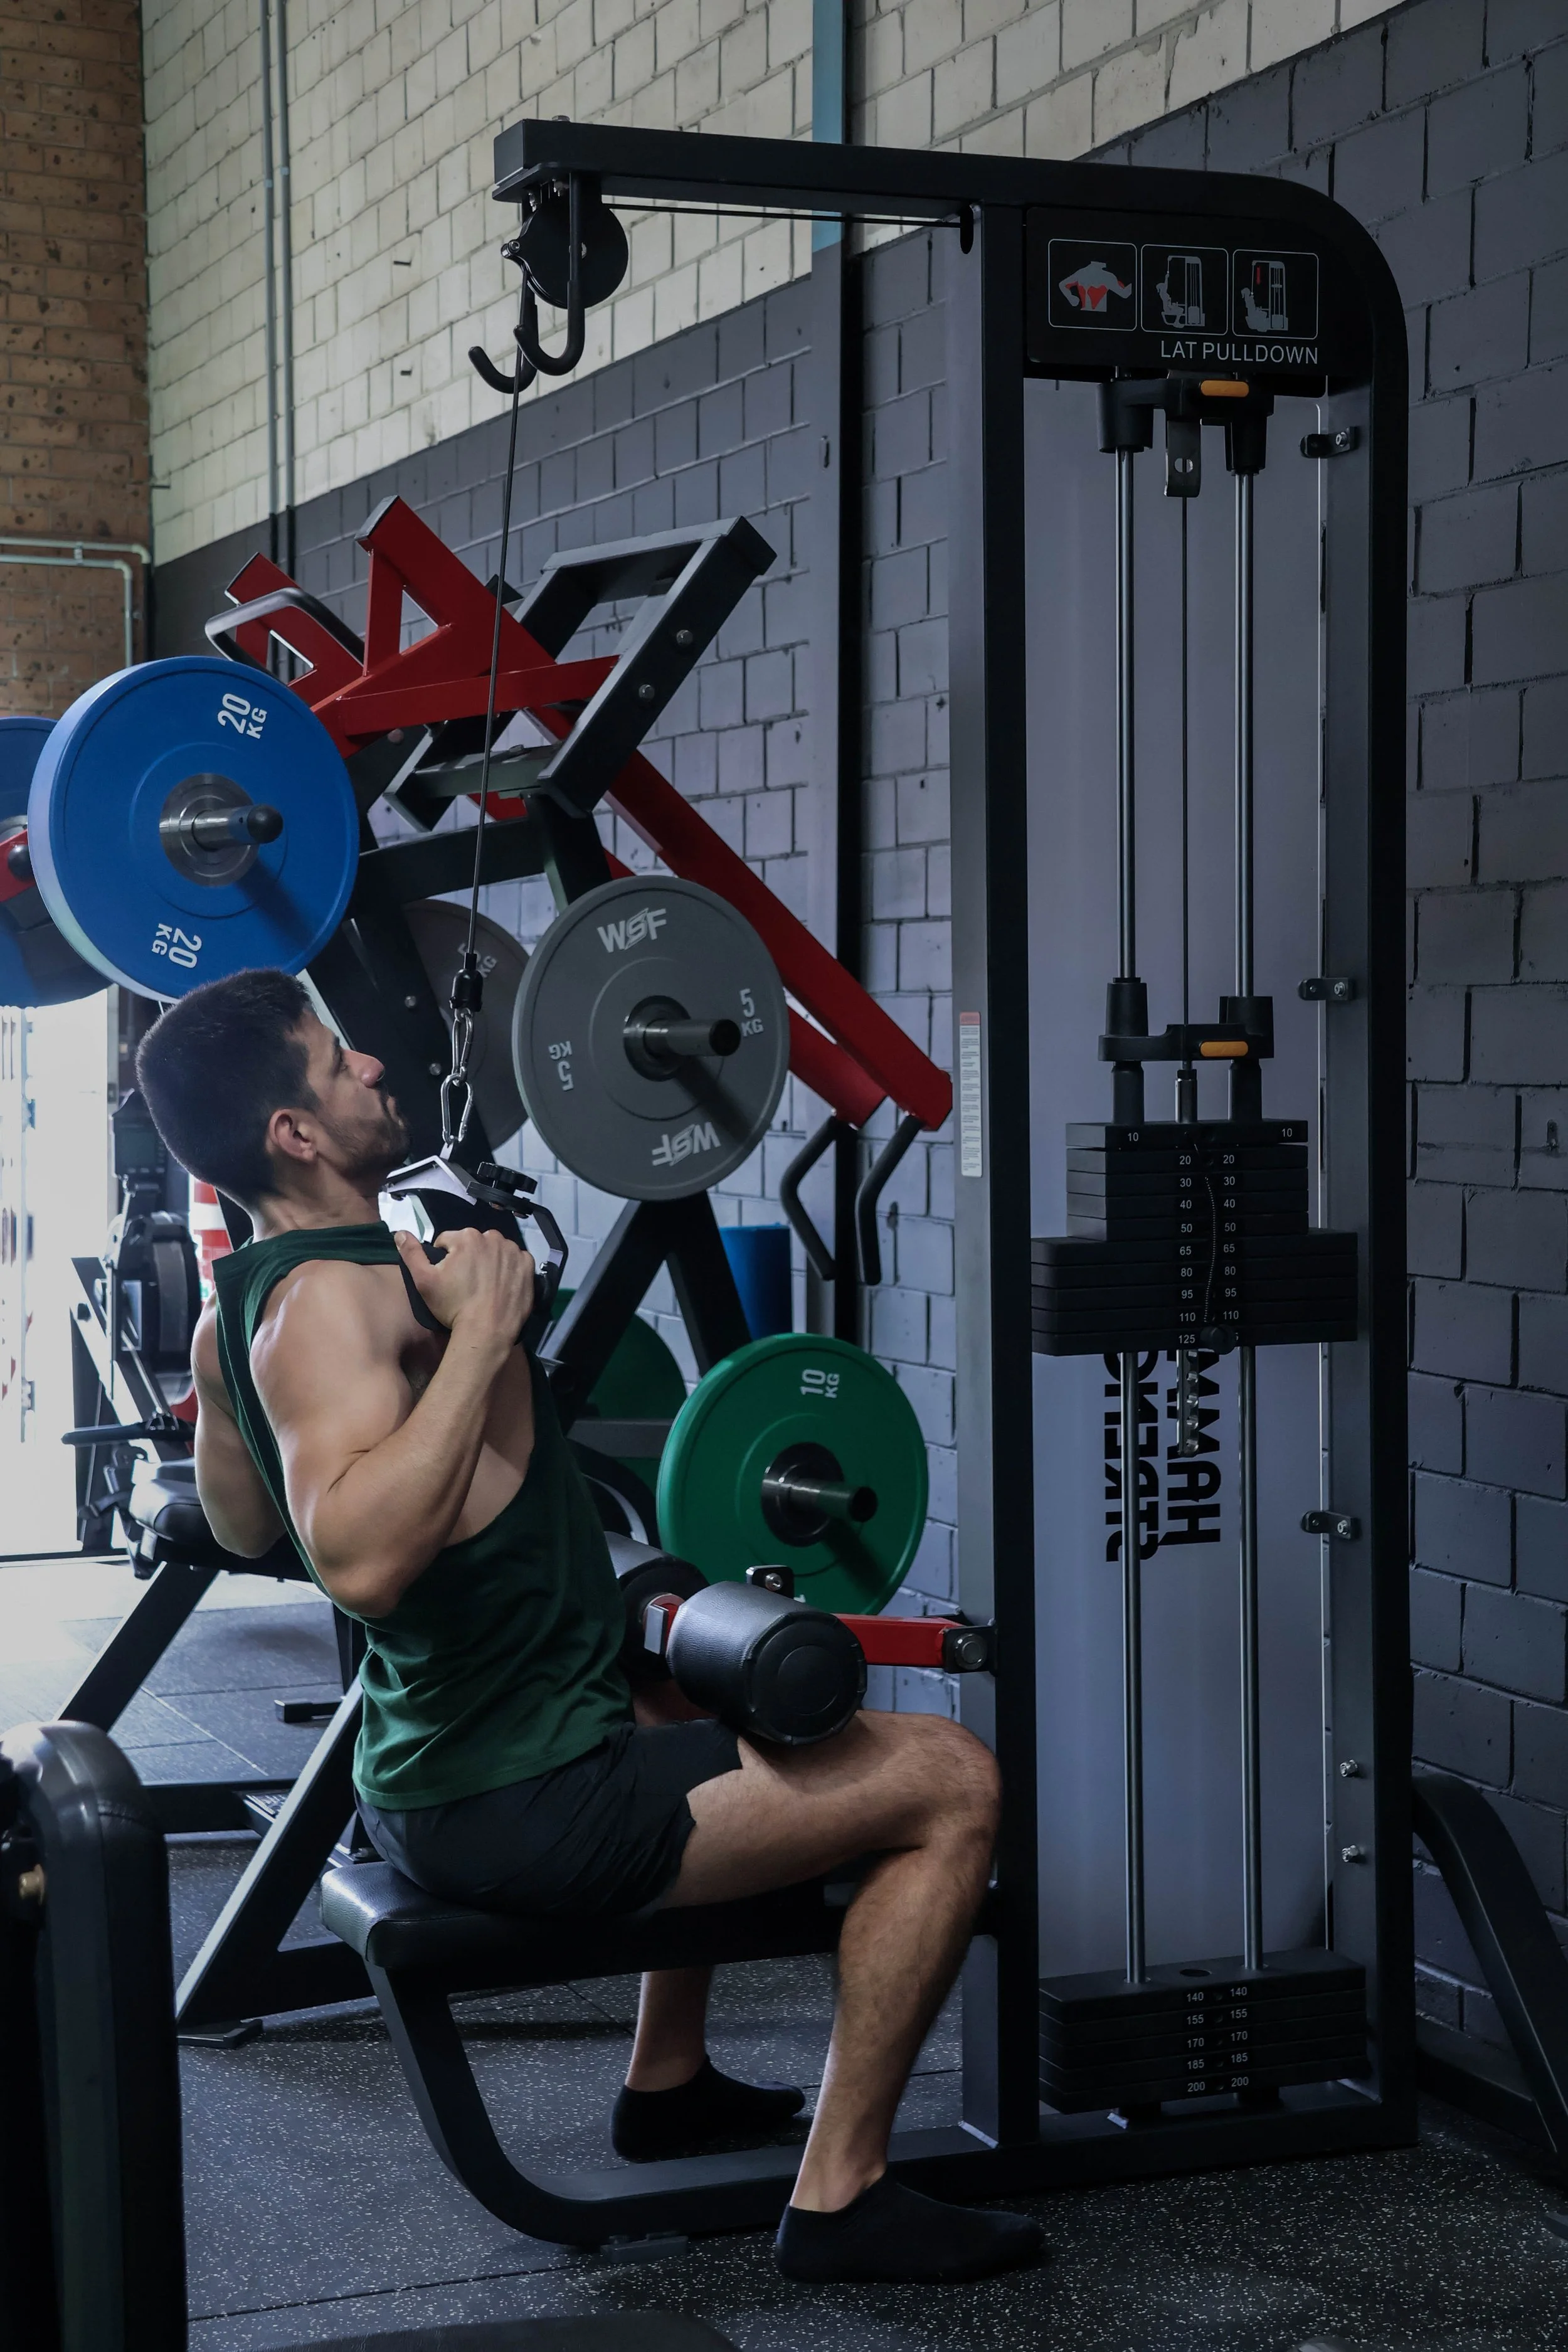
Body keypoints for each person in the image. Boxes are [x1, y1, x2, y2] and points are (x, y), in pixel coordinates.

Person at [136, 968, 1042, 2286]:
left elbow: (240, 1527)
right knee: (953, 1783)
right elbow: (358, 1560)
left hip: (437, 1765)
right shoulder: (338, 1302)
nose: (374, 1069)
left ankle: (664, 2084)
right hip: (522, 1804)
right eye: (339, 1064)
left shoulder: (251, 1304)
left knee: (694, 1696)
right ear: (296, 1135)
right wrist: (482, 1334)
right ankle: (844, 2200)